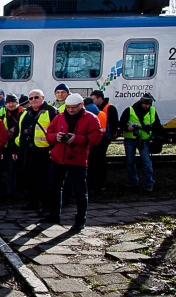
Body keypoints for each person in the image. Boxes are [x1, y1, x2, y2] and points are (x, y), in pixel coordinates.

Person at [43, 94, 103, 231]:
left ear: (81, 105)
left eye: (73, 108)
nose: (70, 110)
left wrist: (76, 139)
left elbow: (96, 137)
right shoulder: (59, 117)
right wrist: (56, 137)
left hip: (78, 160)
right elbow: (49, 133)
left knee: (80, 191)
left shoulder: (91, 118)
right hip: (58, 158)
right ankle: (54, 215)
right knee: (54, 188)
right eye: (68, 107)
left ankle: (80, 220)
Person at [14, 89, 59, 213]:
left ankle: (45, 206)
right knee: (29, 179)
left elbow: (56, 132)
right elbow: (18, 134)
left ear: (43, 97)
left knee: (44, 181)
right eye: (31, 98)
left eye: (36, 97)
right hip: (27, 152)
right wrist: (16, 149)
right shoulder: (25, 114)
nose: (33, 100)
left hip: (44, 152)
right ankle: (33, 202)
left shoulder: (51, 112)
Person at [120, 93, 172, 192]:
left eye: (148, 104)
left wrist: (167, 136)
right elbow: (121, 123)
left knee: (146, 162)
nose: (146, 106)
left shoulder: (152, 111)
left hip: (144, 140)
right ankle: (134, 181)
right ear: (141, 102)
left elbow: (157, 125)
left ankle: (149, 183)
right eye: (145, 103)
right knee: (130, 162)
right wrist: (127, 128)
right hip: (131, 139)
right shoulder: (129, 110)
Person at [89, 90, 119, 192]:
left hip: (103, 139)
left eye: (93, 99)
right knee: (98, 162)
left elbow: (114, 124)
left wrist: (110, 136)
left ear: (100, 98)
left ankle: (98, 183)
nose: (92, 102)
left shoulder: (110, 108)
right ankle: (99, 184)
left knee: (99, 162)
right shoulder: (100, 109)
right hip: (101, 139)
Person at [0, 93, 24, 199]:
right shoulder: (5, 113)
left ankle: (18, 192)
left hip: (19, 146)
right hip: (8, 145)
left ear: (17, 103)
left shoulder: (23, 113)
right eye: (8, 102)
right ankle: (10, 192)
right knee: (9, 169)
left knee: (19, 169)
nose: (10, 105)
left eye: (13, 102)